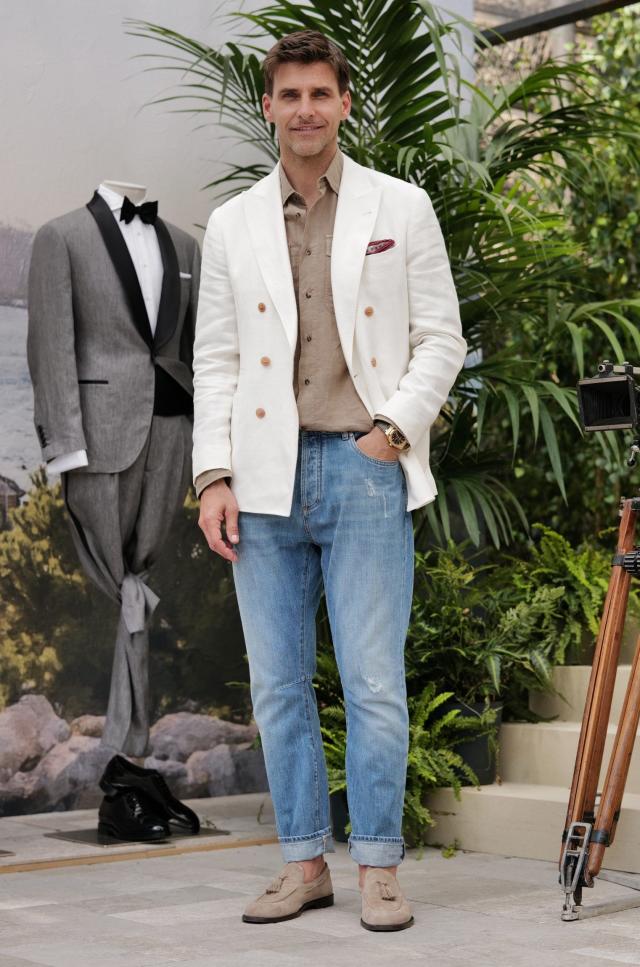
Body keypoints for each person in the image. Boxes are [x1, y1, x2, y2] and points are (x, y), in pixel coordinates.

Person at [192, 29, 467, 931]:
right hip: (261, 480)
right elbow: (218, 361)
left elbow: (442, 339)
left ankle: (380, 866)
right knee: (276, 685)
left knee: (374, 680)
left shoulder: (402, 204)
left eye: (321, 93)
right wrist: (212, 476)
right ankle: (304, 863)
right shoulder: (233, 223)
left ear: (346, 104)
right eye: (290, 95)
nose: (305, 109)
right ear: (267, 106)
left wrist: (391, 433)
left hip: (363, 469)